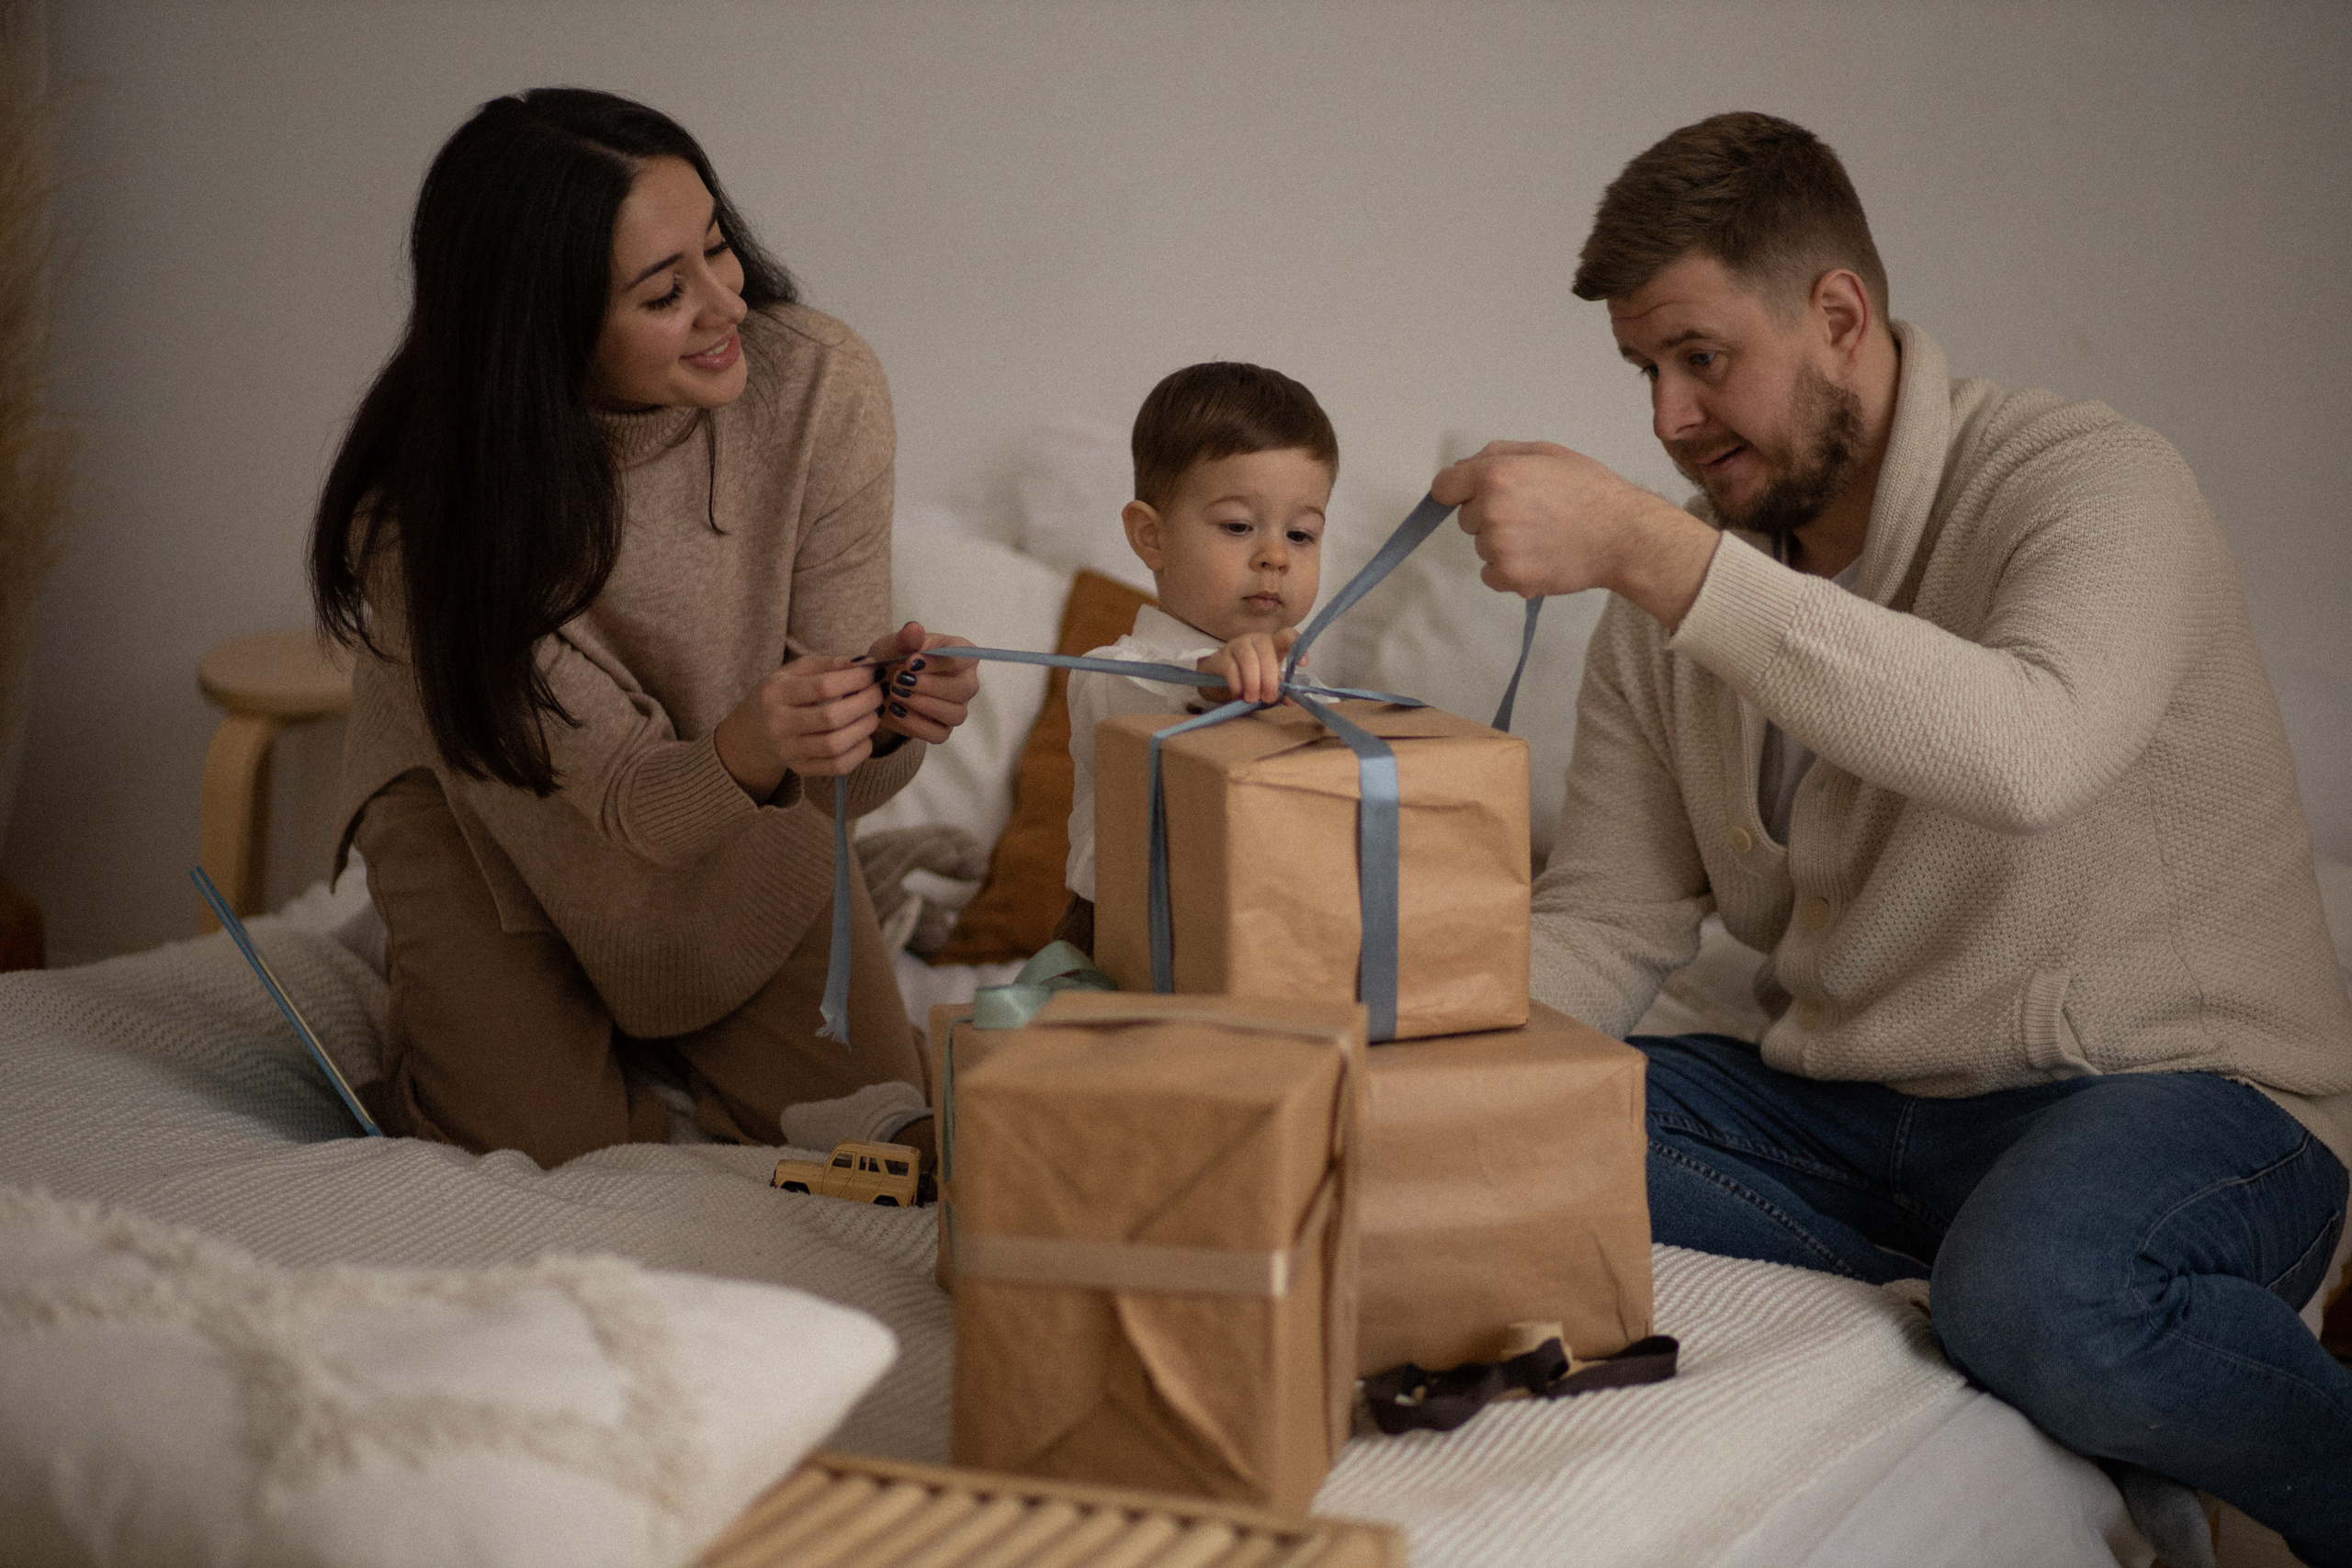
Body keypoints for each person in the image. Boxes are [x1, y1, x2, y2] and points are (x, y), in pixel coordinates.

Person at [1432, 111, 2352, 1562]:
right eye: (1643, 374)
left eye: (1701, 357)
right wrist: (1398, 1069)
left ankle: (2058, 1311)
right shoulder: (1670, 598)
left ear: (1840, 315)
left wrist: (1657, 553)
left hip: (2179, 1092)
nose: (1667, 420)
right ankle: (1991, 1288)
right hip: (1860, 1121)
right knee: (1498, 1126)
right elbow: (1610, 918)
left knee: (2046, 1289)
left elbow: (2028, 747)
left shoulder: (2094, 482)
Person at [311, 88, 977, 1172]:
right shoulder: (429, 523)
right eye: (667, 292)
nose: (728, 304)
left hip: (738, 816)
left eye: (719, 247)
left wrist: (884, 722)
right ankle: (446, 951)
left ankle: (687, 994)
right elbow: (620, 803)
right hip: (501, 812)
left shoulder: (819, 386)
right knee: (541, 1154)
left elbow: (833, 779)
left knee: (888, 1146)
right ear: (543, 325)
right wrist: (763, 745)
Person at [1055, 362, 1335, 951]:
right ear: (1151, 537)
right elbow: (1158, 702)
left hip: (1265, 939)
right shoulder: (1111, 674)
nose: (1275, 557)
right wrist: (1213, 683)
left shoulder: (1312, 686)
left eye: (1302, 535)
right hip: (1128, 950)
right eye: (1238, 526)